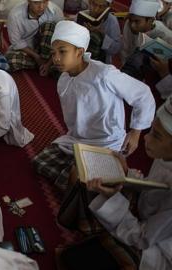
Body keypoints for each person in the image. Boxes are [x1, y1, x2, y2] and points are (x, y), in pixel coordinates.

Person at [32, 21, 156, 191]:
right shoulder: (64, 80)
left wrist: (135, 133)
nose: (56, 59)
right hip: (78, 139)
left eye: (63, 52)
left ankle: (113, 174)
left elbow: (143, 94)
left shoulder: (104, 74)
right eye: (53, 53)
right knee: (40, 162)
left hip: (108, 141)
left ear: (80, 52)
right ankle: (94, 176)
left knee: (78, 180)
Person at [60, 96, 172, 270]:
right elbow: (152, 187)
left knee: (72, 260)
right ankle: (84, 227)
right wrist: (126, 172)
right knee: (84, 174)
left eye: (156, 136)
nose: (145, 138)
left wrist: (113, 199)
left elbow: (142, 238)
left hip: (155, 248)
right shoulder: (166, 157)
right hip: (141, 218)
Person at [5, 0, 63, 75]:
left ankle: (47, 65)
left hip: (50, 50)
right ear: (28, 1)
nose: (41, 7)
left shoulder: (55, 11)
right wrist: (37, 57)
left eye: (45, 2)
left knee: (49, 25)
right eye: (36, 2)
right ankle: (47, 66)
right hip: (29, 50)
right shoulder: (15, 15)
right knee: (10, 59)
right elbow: (17, 42)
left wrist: (49, 63)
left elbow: (61, 38)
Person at [121, 0, 172, 80]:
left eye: (137, 21)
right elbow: (125, 50)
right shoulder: (128, 25)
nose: (132, 25)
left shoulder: (166, 36)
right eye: (131, 20)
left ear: (150, 20)